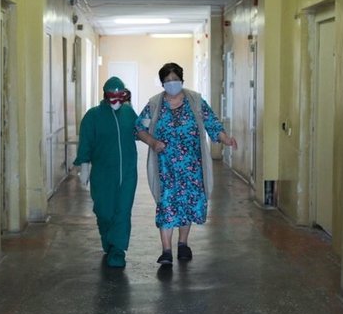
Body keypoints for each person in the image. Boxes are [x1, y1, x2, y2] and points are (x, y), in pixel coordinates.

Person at [136, 62, 237, 266]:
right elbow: (139, 128)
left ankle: (183, 244)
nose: (172, 83)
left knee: (187, 203)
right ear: (162, 83)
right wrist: (153, 142)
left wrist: (225, 139)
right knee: (166, 204)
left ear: (182, 80)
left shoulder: (195, 101)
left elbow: (212, 123)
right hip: (165, 167)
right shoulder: (154, 104)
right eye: (167, 80)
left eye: (175, 79)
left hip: (192, 166)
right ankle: (166, 250)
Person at [74, 76, 138, 268]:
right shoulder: (93, 116)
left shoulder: (129, 113)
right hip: (102, 173)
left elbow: (140, 132)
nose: (117, 100)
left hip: (128, 172)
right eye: (112, 96)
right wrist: (84, 165)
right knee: (104, 211)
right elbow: (86, 142)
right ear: (105, 95)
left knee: (123, 210)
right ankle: (108, 238)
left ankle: (118, 249)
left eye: (120, 95)